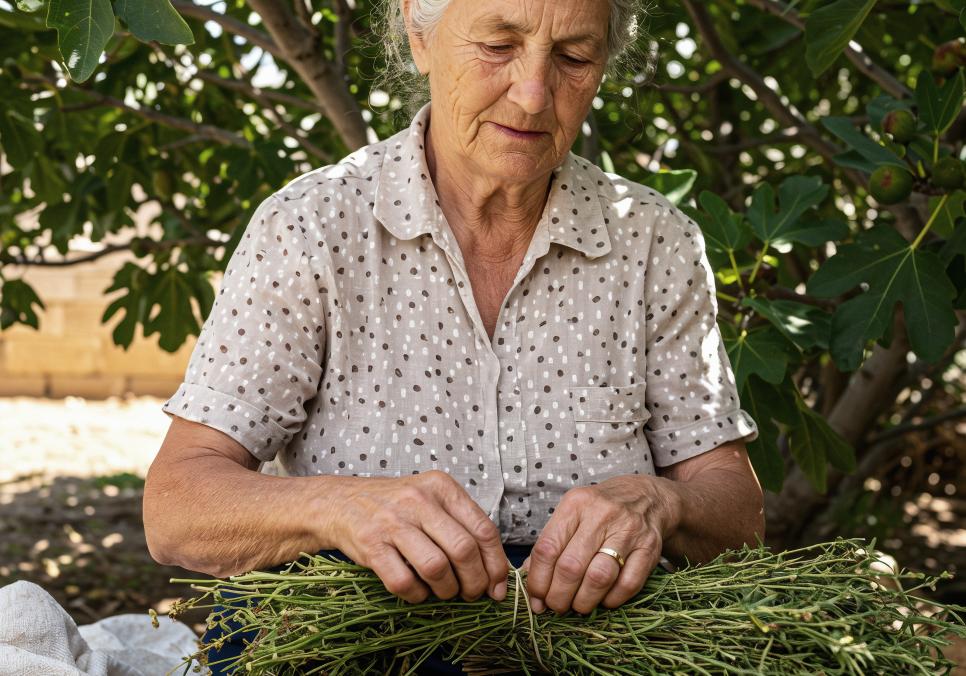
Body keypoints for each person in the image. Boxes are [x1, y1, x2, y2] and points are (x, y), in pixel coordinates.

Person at [144, 0, 764, 672]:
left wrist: (660, 502)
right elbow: (176, 508)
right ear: (419, 33)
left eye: (574, 57)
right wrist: (339, 506)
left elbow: (737, 515)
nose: (532, 95)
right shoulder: (310, 228)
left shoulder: (653, 241)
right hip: (361, 638)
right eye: (498, 44)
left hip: (589, 643)